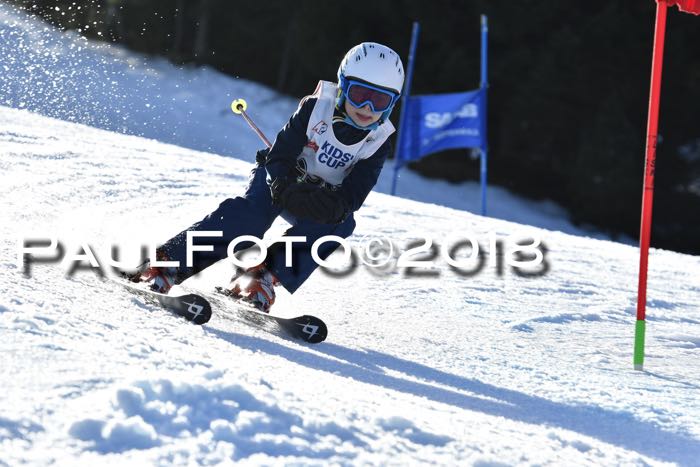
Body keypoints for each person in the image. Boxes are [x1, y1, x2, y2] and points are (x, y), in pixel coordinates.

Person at [133, 42, 405, 312]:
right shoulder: (315, 109)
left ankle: (262, 276)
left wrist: (333, 207)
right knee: (252, 219)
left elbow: (354, 193)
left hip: (319, 197)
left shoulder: (378, 141)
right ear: (343, 87)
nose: (368, 107)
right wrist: (281, 184)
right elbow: (281, 152)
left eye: (380, 100)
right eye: (359, 94)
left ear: (392, 104)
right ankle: (170, 261)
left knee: (341, 225)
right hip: (279, 179)